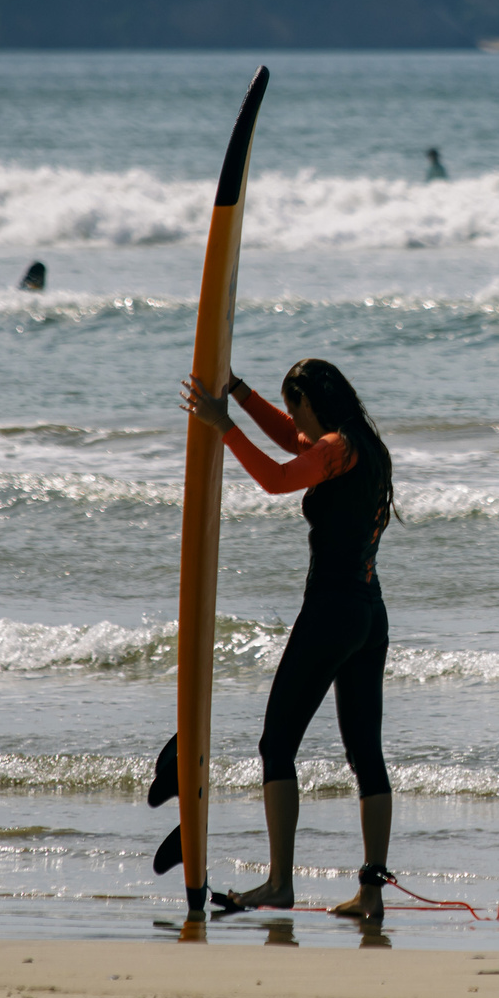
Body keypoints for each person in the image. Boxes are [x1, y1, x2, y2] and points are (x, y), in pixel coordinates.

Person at [178, 358, 397, 920]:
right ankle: (371, 892)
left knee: (277, 744)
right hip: (370, 613)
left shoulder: (335, 450)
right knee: (365, 753)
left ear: (311, 401)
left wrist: (222, 424)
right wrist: (242, 394)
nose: (294, 420)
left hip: (331, 612)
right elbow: (292, 438)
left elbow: (277, 478)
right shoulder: (363, 446)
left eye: (294, 404)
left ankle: (280, 882)